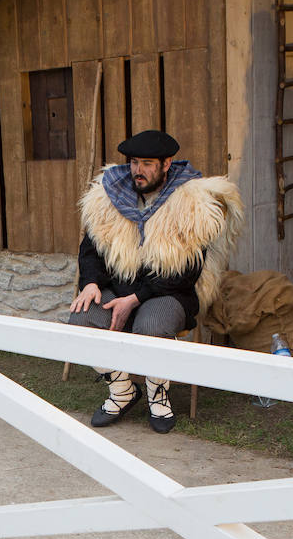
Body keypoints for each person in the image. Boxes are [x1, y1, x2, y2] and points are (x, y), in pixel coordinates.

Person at [68, 129, 243, 433]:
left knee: (150, 326)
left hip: (166, 292)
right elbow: (90, 250)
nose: (138, 170)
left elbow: (185, 272)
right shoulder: (108, 196)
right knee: (81, 321)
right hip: (117, 288)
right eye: (135, 162)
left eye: (147, 164)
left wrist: (135, 299)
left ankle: (158, 396)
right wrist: (91, 283)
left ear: (166, 164)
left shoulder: (190, 203)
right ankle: (123, 391)